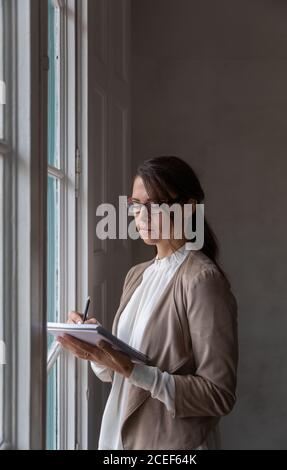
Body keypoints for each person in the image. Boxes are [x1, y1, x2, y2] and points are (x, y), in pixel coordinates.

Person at [58, 156, 238, 450]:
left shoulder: (202, 280)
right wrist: (96, 348)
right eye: (135, 204)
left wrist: (132, 370)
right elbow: (120, 374)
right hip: (123, 437)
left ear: (189, 207)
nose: (141, 216)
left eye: (155, 205)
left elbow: (219, 394)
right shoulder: (137, 275)